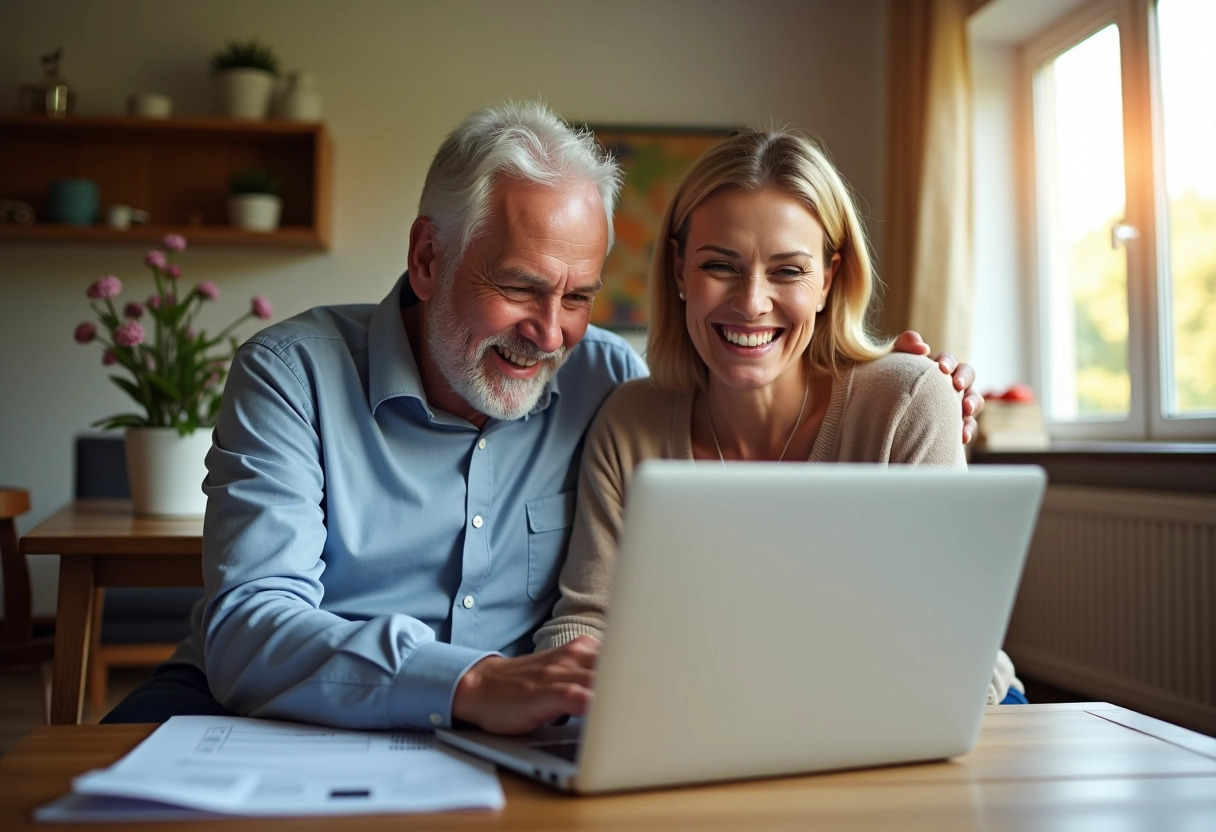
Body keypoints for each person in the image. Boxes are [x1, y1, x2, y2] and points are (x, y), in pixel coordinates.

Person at [104, 102, 987, 733]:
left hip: (522, 736)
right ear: (426, 257)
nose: (550, 331)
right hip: (279, 710)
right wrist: (473, 682)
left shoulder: (609, 379)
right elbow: (250, 625)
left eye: (579, 297)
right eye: (521, 287)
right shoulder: (291, 374)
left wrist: (914, 383)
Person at [533, 127, 1024, 706]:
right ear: (680, 271)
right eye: (720, 265)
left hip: (912, 719)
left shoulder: (908, 404)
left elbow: (955, 650)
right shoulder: (630, 423)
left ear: (828, 280)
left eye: (788, 271)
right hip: (709, 724)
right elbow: (584, 624)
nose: (751, 301)